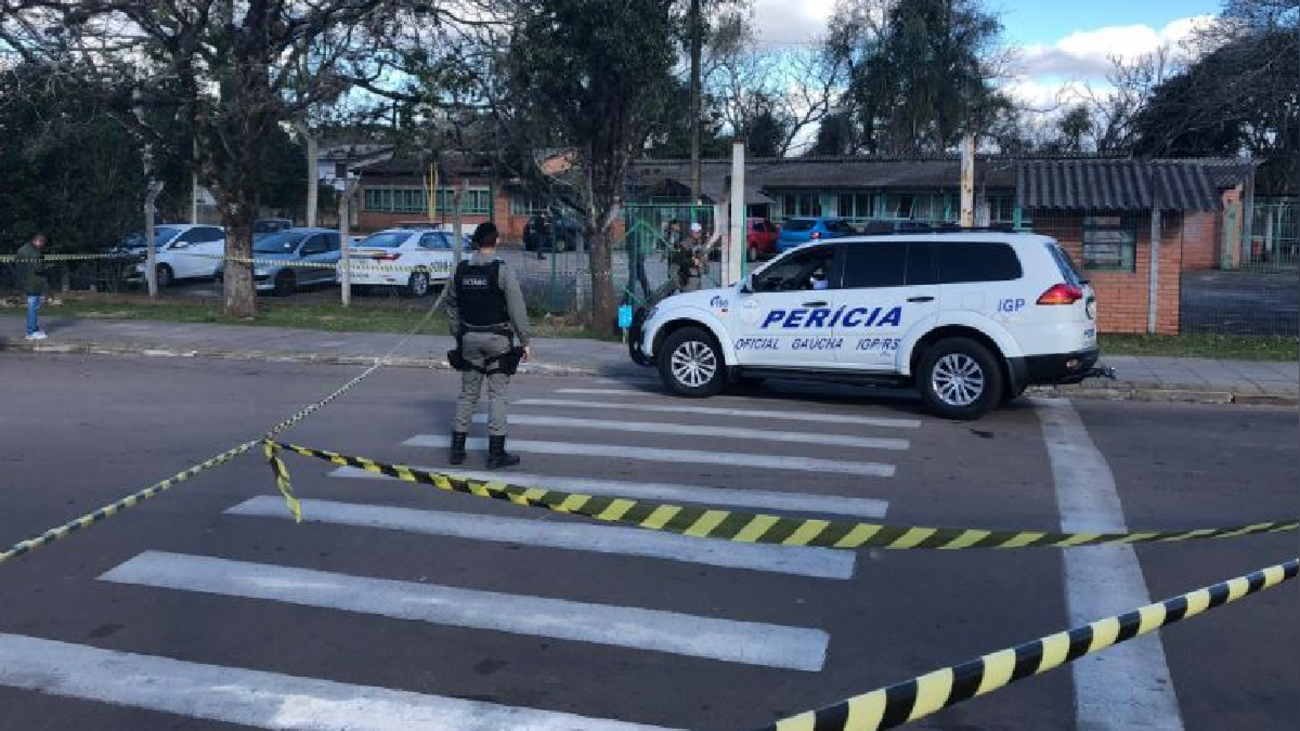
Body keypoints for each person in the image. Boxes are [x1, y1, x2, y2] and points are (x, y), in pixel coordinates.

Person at [446, 222, 532, 469]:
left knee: (468, 395)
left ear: (475, 243)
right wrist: (525, 340)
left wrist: (458, 336)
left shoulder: (460, 270)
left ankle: (457, 451)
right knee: (498, 396)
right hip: (498, 341)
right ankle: (496, 454)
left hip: (469, 339)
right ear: (496, 242)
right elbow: (517, 309)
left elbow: (451, 306)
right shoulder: (502, 271)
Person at [15, 234, 50, 340]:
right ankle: (31, 332)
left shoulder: (22, 249)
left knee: (32, 306)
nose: (43, 246)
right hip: (34, 282)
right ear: (37, 241)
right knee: (33, 307)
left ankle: (34, 329)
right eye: (43, 243)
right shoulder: (34, 252)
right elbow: (38, 268)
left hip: (25, 281)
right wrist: (46, 266)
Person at [669, 221, 709, 292]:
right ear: (691, 232)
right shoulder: (683, 245)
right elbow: (676, 263)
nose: (698, 234)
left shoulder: (698, 244)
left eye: (699, 232)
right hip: (688, 281)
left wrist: (703, 263)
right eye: (696, 232)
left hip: (697, 279)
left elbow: (703, 262)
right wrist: (692, 262)